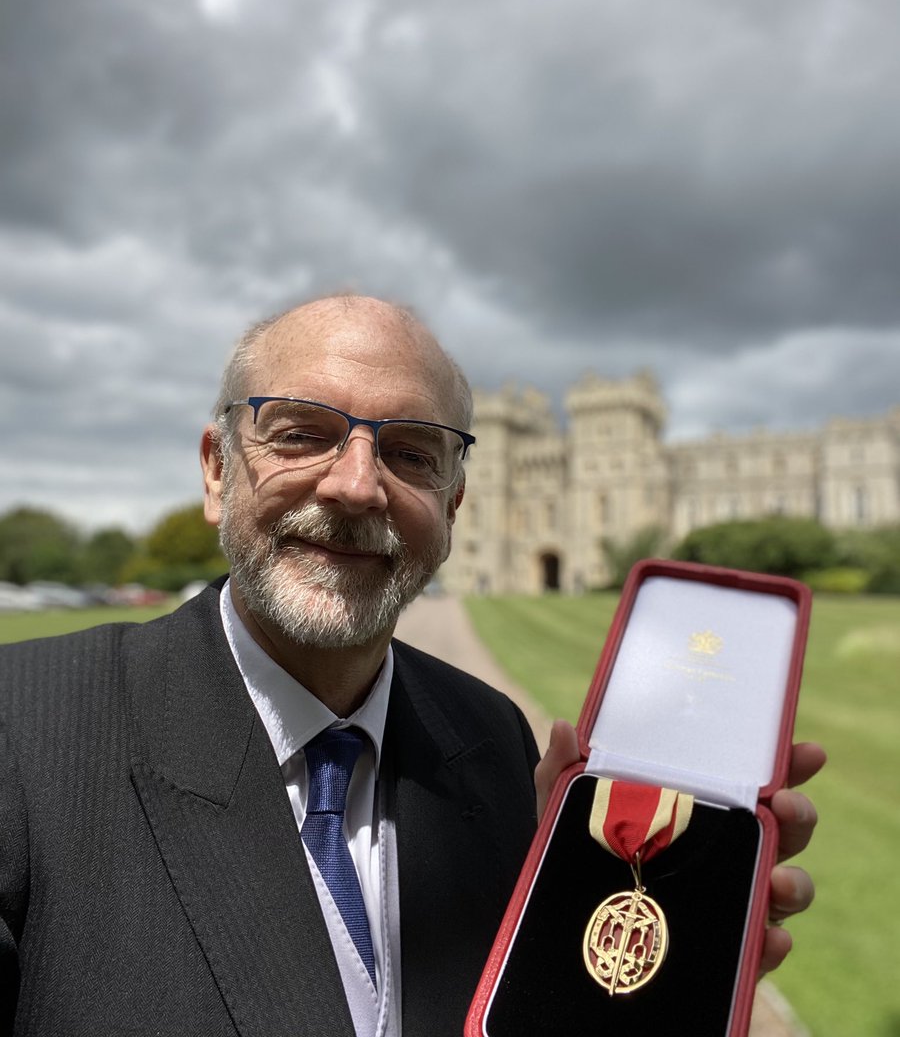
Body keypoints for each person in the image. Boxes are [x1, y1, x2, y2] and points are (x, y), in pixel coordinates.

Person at [0, 294, 823, 1037]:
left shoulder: (492, 737)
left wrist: (613, 971)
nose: (357, 487)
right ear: (218, 468)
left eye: (412, 453)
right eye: (301, 434)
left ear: (455, 503)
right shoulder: (24, 732)